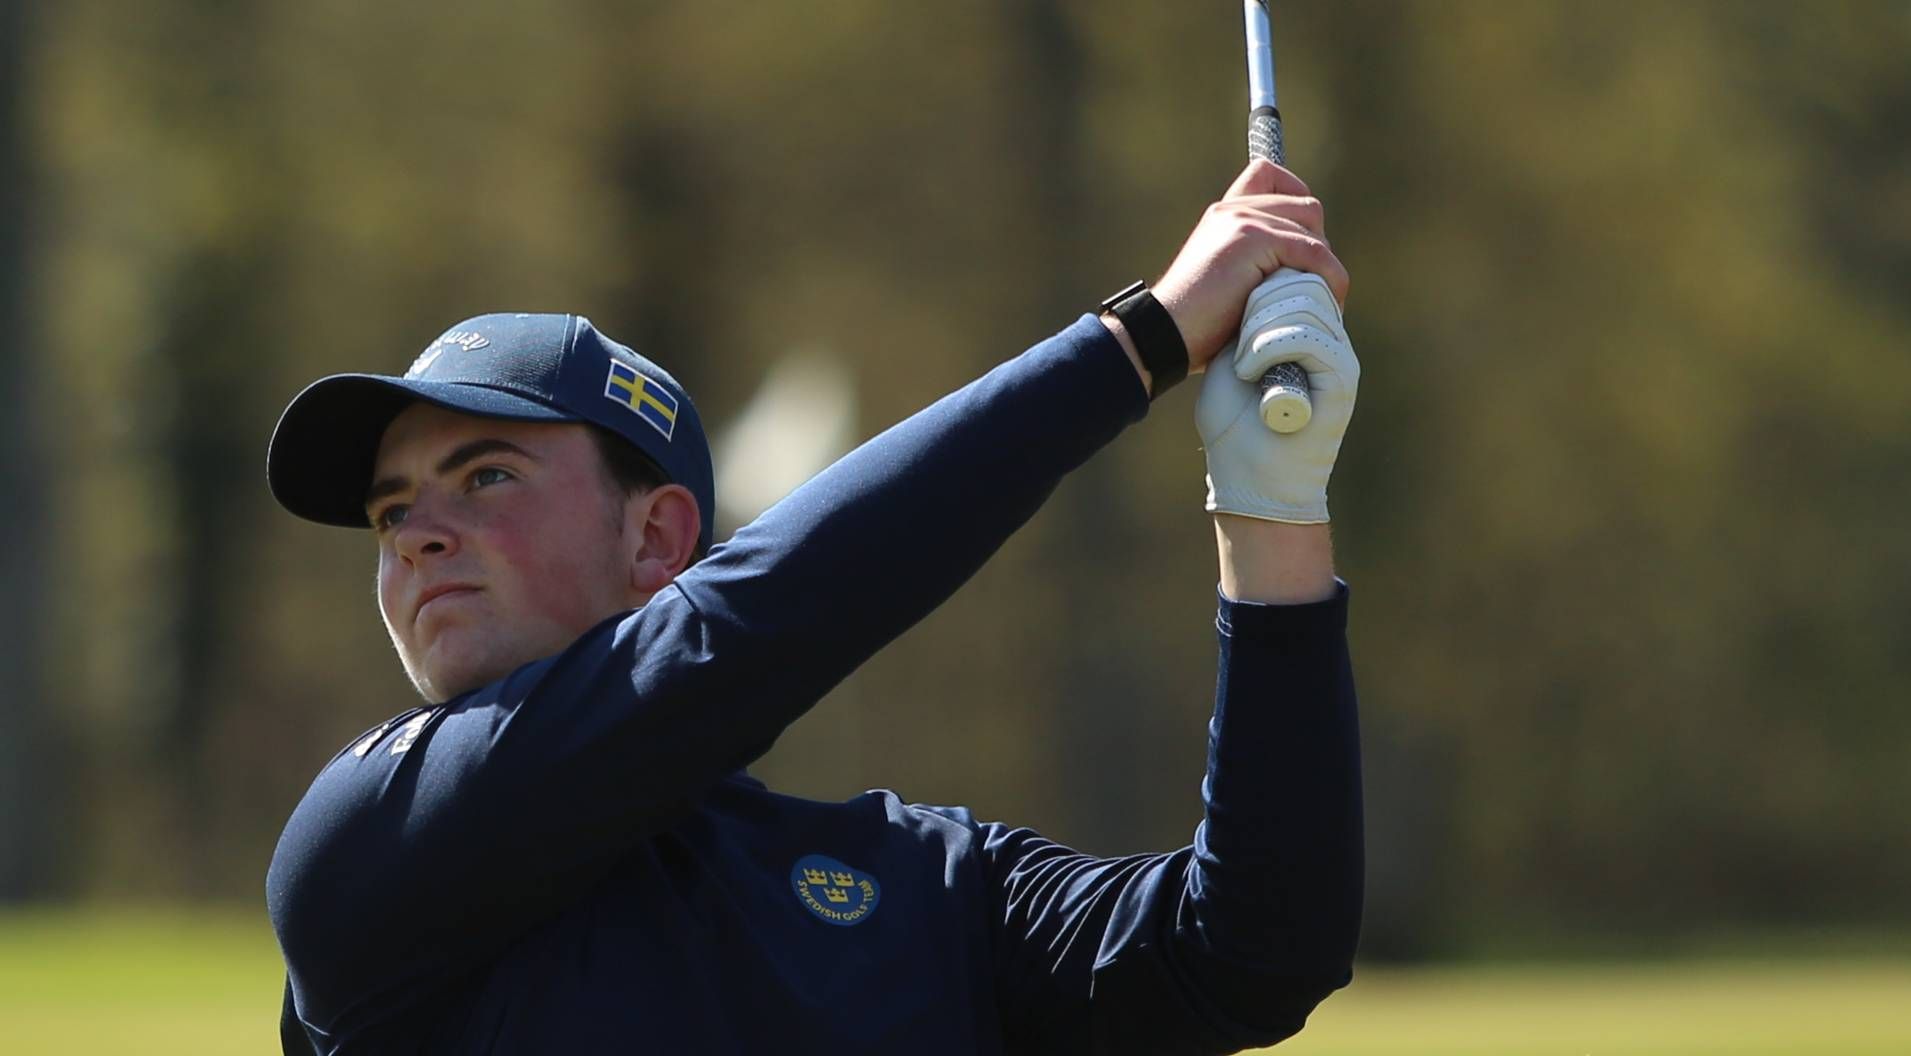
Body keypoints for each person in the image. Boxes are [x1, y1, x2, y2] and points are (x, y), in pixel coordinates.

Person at [265, 159, 1363, 1055]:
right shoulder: (366, 841)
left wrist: (1271, 513)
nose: (416, 532)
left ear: (656, 539)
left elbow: (1252, 951)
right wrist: (1141, 341)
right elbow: (745, 632)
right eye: (391, 509)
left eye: (486, 476)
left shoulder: (924, 887)